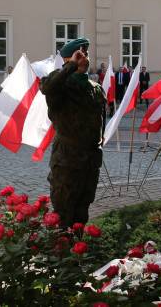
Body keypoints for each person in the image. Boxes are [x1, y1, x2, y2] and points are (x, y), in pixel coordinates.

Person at [40, 38, 106, 228]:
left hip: (90, 160)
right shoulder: (60, 87)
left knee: (81, 212)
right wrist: (69, 66)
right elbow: (47, 87)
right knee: (63, 214)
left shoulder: (94, 88)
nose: (84, 58)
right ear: (68, 60)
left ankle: (77, 253)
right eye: (79, 55)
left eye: (86, 55)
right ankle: (61, 255)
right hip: (67, 160)